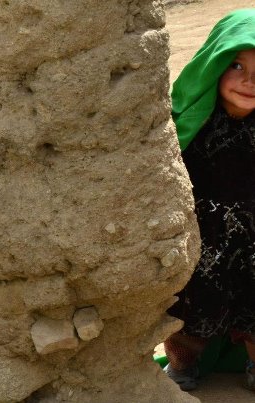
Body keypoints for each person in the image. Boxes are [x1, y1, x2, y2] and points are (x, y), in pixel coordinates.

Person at [163, 8, 255, 391]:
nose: (250, 81)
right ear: (214, 65)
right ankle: (182, 369)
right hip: (202, 244)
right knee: (187, 313)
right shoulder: (191, 121)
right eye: (236, 65)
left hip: (253, 244)